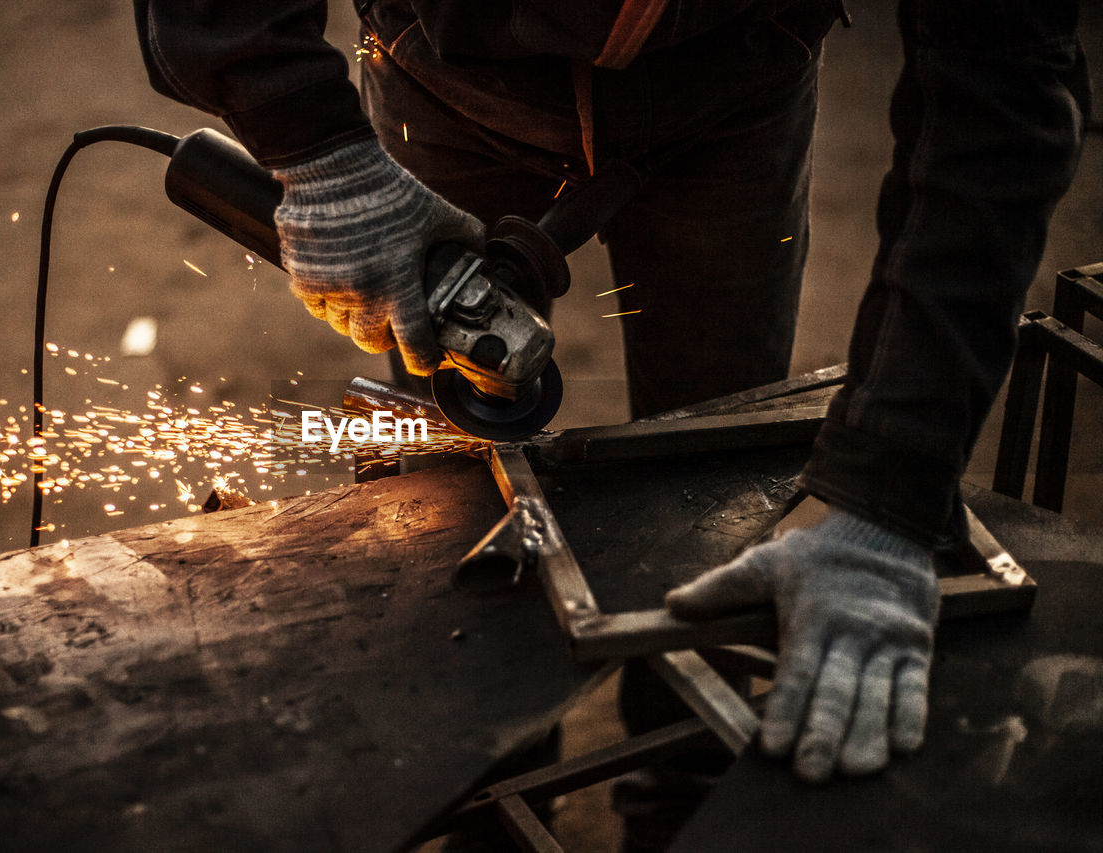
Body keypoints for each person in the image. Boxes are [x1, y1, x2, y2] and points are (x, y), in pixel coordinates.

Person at [133, 0, 1089, 846]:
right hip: (447, 81)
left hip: (735, 86)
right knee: (454, 508)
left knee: (715, 493)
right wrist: (317, 147)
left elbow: (1001, 88)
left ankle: (681, 793)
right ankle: (491, 793)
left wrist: (887, 494)